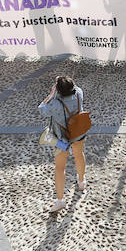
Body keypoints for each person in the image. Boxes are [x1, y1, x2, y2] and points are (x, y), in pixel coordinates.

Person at [38, 75, 88, 214]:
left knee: (60, 168)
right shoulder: (79, 93)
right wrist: (61, 84)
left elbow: (42, 109)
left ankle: (60, 200)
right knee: (79, 154)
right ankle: (82, 182)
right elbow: (74, 87)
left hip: (61, 138)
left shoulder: (54, 103)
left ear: (59, 91)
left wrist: (50, 94)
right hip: (78, 132)